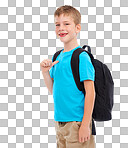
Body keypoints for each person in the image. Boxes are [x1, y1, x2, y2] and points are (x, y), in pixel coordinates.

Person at [40, 5, 96, 148]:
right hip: (60, 122)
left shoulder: (81, 57)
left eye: (66, 24)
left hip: (77, 123)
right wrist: (45, 72)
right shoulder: (57, 56)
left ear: (77, 28)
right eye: (57, 24)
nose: (61, 28)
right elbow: (53, 90)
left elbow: (91, 92)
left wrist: (84, 125)